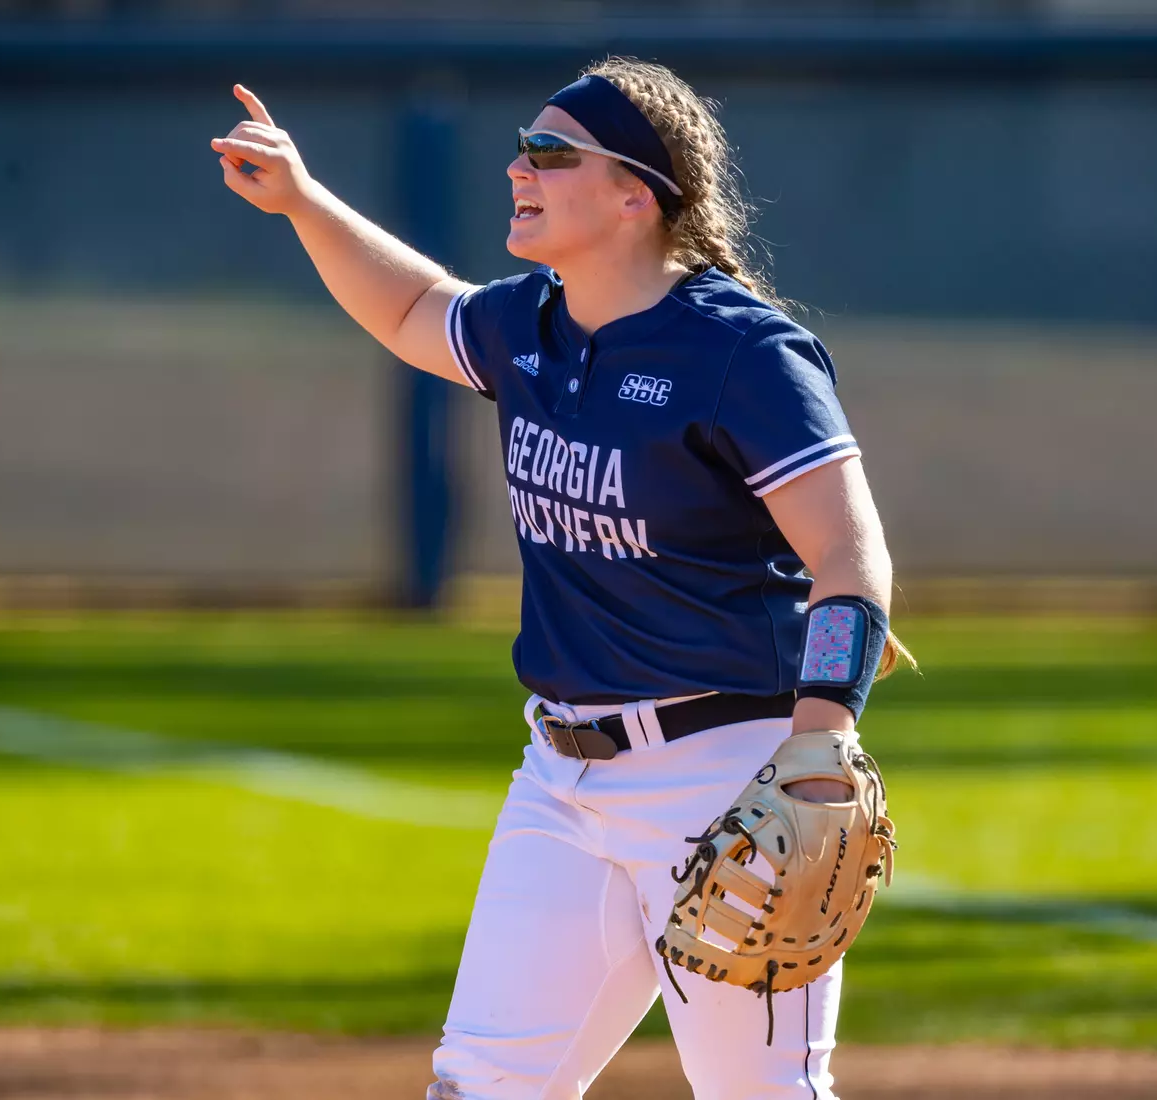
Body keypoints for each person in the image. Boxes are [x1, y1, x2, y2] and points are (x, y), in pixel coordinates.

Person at [212, 57, 913, 1100]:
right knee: (482, 1082)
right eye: (522, 148)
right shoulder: (529, 326)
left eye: (549, 152)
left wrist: (821, 738)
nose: (516, 168)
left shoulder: (744, 354)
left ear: (638, 194)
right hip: (560, 774)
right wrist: (306, 203)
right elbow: (413, 311)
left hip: (722, 775)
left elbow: (851, 559)